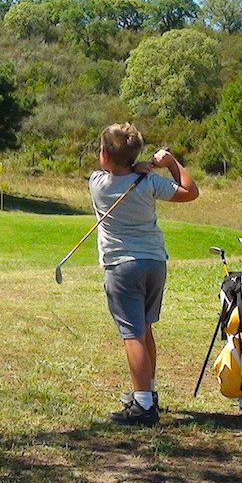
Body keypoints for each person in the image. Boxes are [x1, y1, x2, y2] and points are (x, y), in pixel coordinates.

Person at [90, 123, 200, 426]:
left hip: (121, 267)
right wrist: (169, 163)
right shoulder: (150, 183)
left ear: (104, 156)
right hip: (154, 263)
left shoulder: (97, 182)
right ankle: (147, 392)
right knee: (146, 328)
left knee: (132, 335)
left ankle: (142, 406)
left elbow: (120, 168)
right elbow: (190, 192)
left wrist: (140, 166)